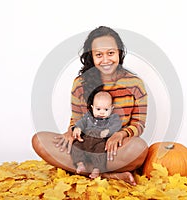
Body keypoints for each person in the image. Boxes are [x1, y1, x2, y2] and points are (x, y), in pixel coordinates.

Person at [32, 26, 148, 185]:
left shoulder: (135, 84)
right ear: (91, 57)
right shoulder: (80, 84)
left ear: (119, 52)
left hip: (114, 149)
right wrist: (71, 131)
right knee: (39, 141)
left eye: (111, 53)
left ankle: (89, 170)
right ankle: (110, 175)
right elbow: (76, 119)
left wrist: (121, 134)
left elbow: (139, 123)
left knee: (139, 148)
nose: (106, 60)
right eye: (99, 55)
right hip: (85, 146)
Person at [71, 90, 122, 178]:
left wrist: (108, 131)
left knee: (101, 150)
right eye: (98, 109)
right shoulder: (88, 116)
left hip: (99, 141)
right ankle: (80, 164)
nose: (102, 112)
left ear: (112, 108)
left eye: (106, 109)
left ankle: (97, 169)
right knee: (76, 145)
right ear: (92, 107)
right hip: (85, 140)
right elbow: (82, 122)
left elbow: (117, 125)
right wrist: (77, 128)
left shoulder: (113, 118)